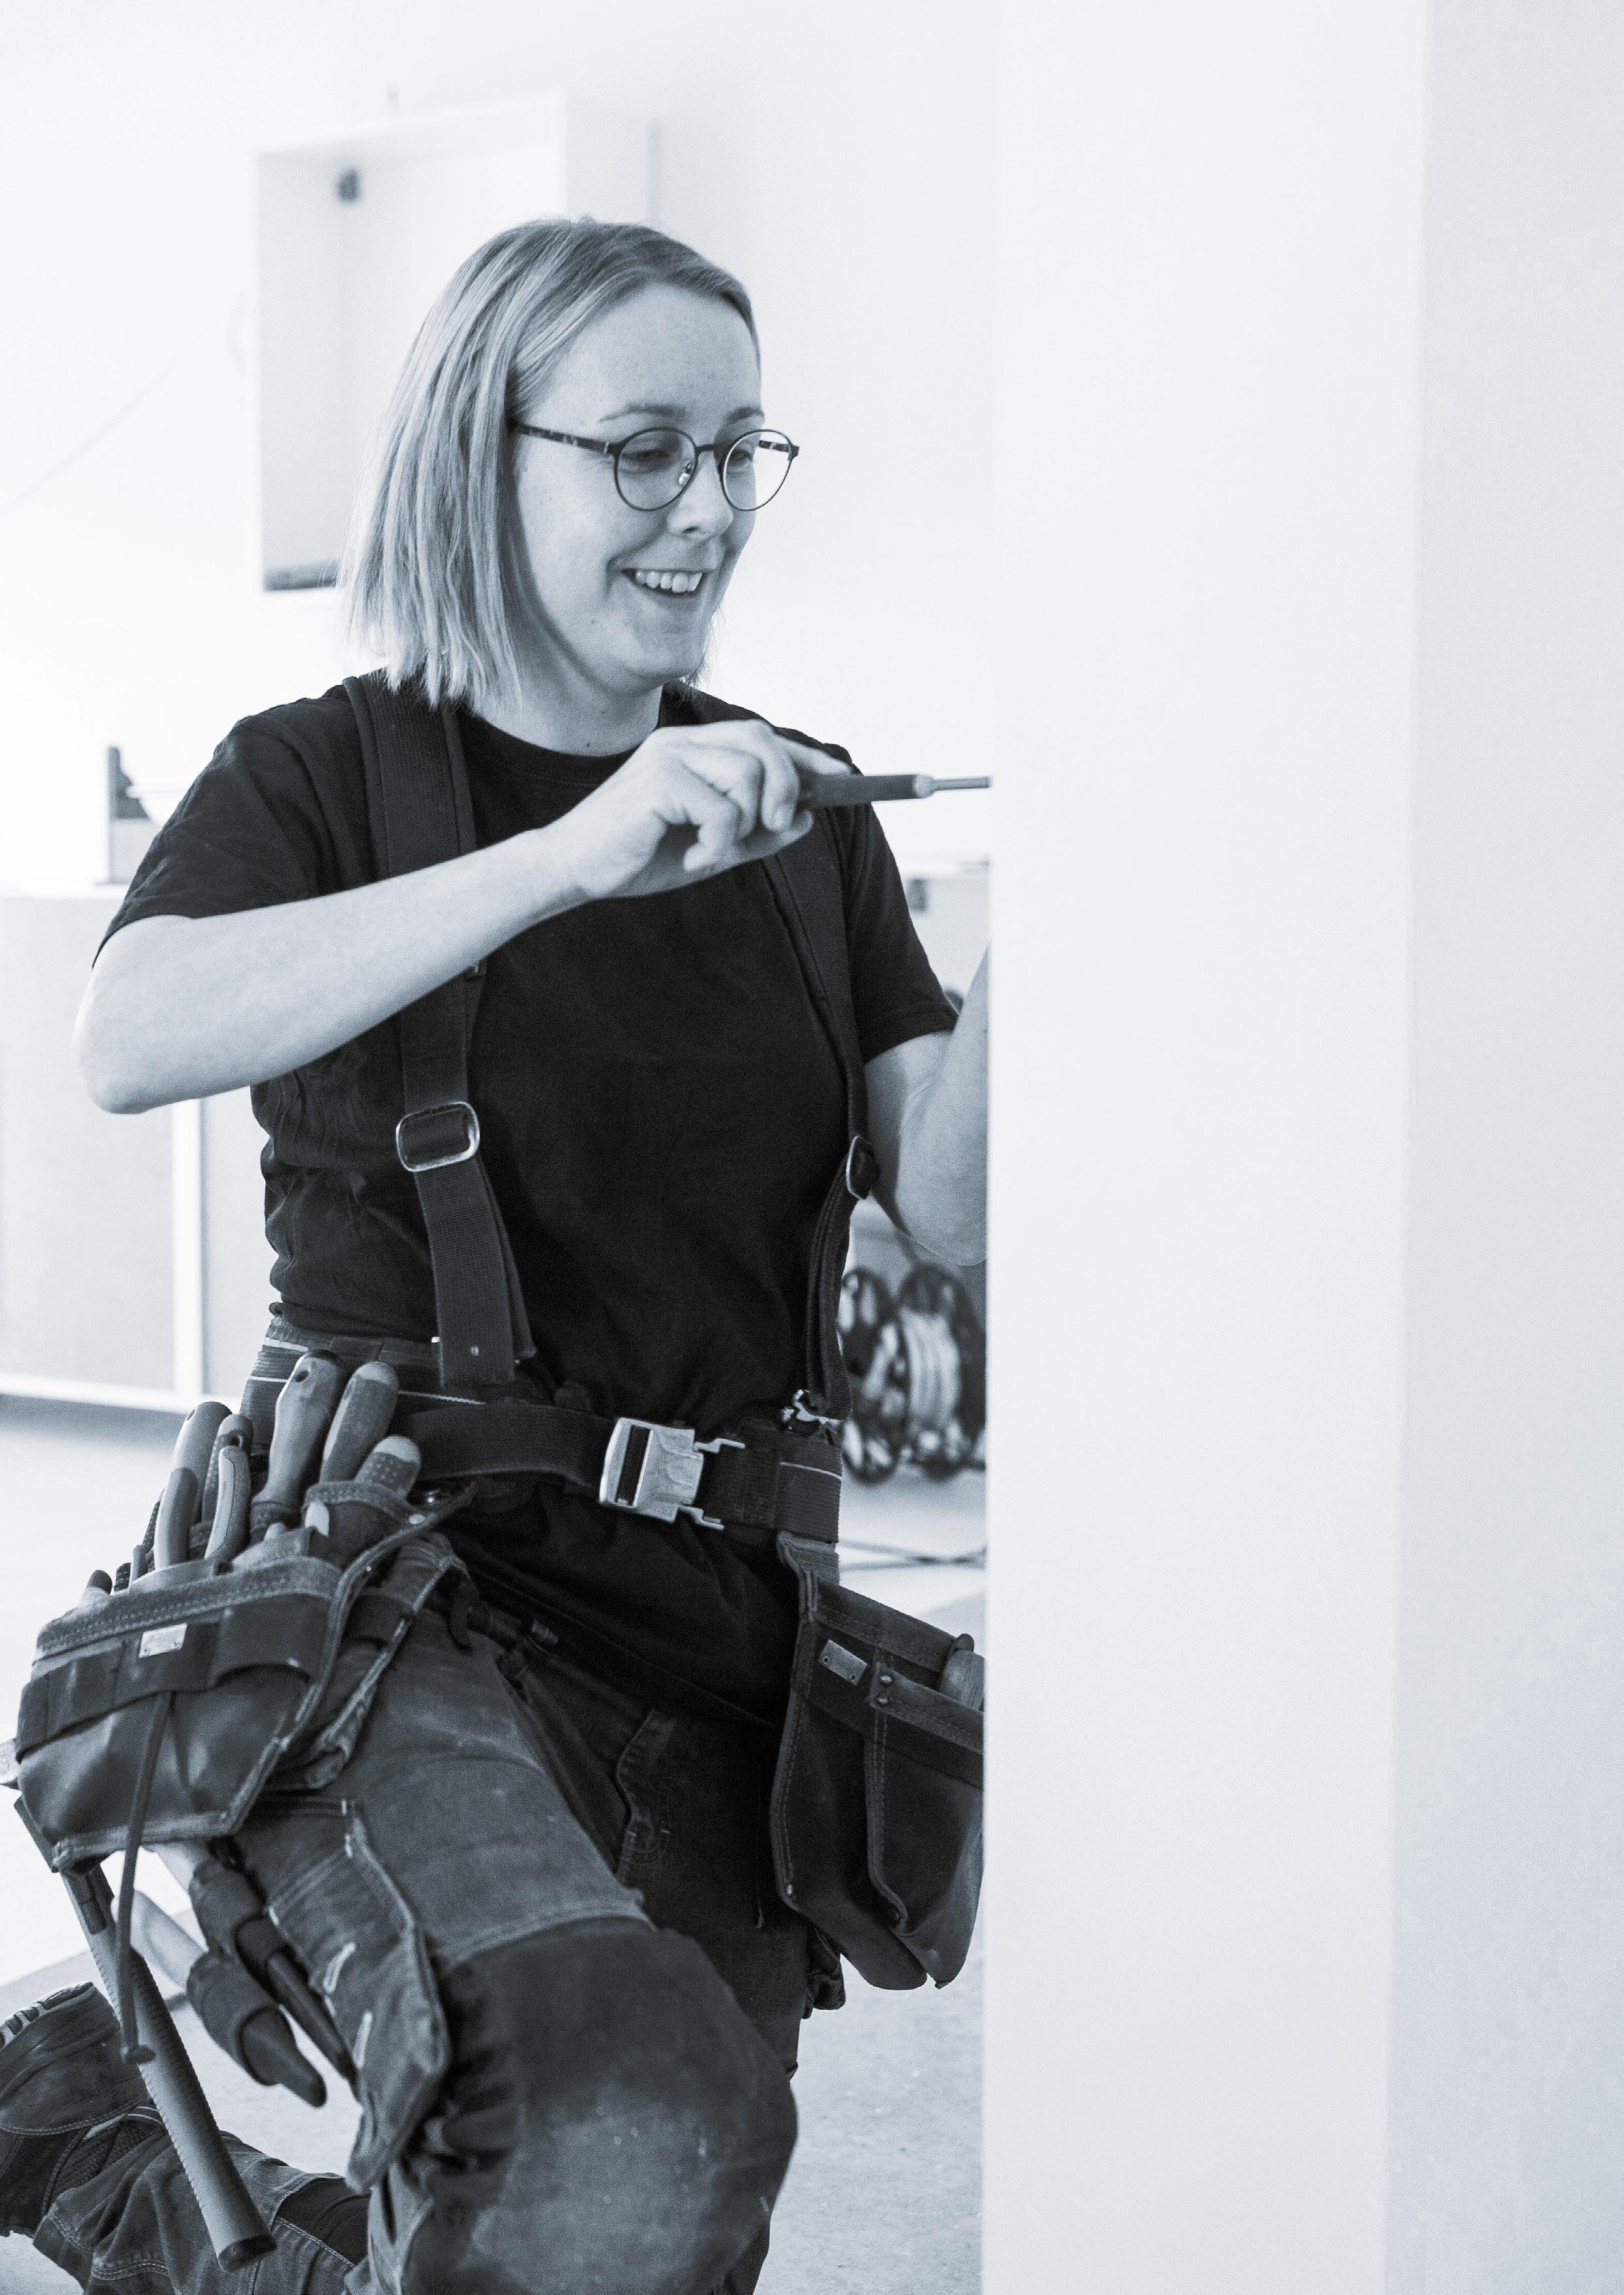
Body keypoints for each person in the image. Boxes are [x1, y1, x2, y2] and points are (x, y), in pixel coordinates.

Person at [0, 217, 987, 2295]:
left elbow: (957, 1208)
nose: (706, 509)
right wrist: (565, 854)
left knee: (611, 2227)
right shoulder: (325, 771)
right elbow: (128, 1034)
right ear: (481, 451)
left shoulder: (803, 825)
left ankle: (93, 2150)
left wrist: (1104, 886)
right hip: (394, 1591)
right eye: (643, 450)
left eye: (738, 450)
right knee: (624, 2113)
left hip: (722, 1643)